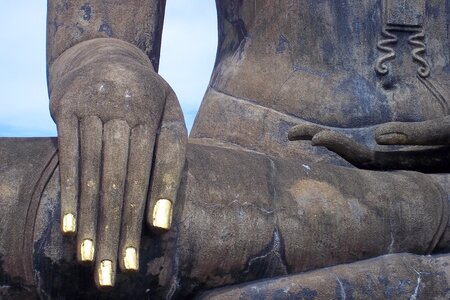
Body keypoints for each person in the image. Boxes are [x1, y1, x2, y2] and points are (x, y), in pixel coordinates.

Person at [0, 0, 449, 298]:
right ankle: (421, 214)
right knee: (44, 204)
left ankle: (409, 217)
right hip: (261, 166)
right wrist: (107, 67)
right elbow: (97, 32)